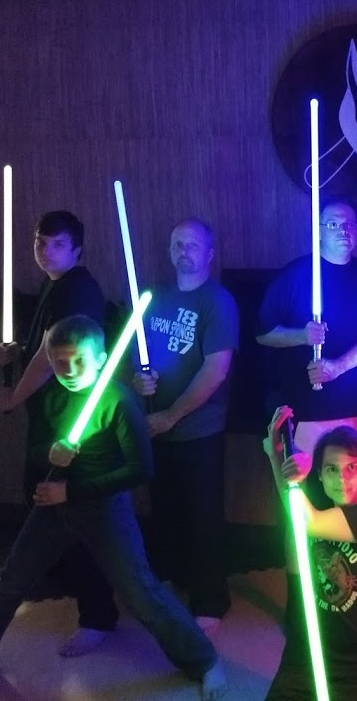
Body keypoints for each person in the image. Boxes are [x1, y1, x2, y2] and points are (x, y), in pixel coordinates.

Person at [0, 315, 229, 699]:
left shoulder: (119, 401)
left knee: (143, 592)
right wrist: (50, 453)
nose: (70, 371)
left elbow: (141, 470)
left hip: (105, 508)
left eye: (80, 361)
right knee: (8, 584)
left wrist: (71, 492)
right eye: (60, 362)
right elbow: (35, 449)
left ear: (101, 358)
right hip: (53, 506)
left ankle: (204, 661)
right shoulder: (51, 396)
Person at [0, 209, 117, 657]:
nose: (46, 251)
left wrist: (13, 396)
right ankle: (79, 598)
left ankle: (98, 617)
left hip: (70, 425)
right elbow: (41, 347)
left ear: (77, 249)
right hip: (50, 422)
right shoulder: (54, 284)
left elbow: (51, 359)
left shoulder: (78, 289)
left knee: (72, 517)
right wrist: (16, 351)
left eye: (58, 244)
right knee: (47, 508)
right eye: (40, 242)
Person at [132, 218, 239, 637]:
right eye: (177, 243)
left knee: (203, 515)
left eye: (193, 244)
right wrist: (138, 379)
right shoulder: (154, 297)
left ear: (209, 254)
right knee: (165, 510)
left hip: (199, 430)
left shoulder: (218, 302)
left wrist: (172, 415)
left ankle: (210, 599)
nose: (184, 251)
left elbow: (216, 369)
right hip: (158, 428)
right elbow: (136, 356)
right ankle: (170, 580)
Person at [262, 409, 357, 701]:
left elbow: (308, 521)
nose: (342, 479)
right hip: (306, 661)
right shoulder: (311, 509)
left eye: (352, 467)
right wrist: (277, 456)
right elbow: (297, 537)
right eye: (331, 470)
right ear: (321, 476)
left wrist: (288, 473)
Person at [256, 196, 357, 483]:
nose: (343, 230)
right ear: (318, 230)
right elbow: (264, 334)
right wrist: (302, 336)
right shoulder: (294, 275)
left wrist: (338, 367)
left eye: (349, 224)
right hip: (306, 408)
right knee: (305, 493)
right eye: (333, 224)